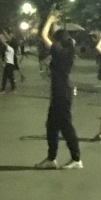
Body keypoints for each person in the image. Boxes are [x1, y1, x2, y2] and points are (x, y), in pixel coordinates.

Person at [35, 9, 82, 169]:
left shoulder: (60, 53)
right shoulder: (66, 51)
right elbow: (53, 37)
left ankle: (76, 159)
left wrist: (49, 19)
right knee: (51, 126)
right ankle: (51, 158)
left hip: (62, 93)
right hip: (60, 92)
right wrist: (55, 22)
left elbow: (43, 35)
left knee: (66, 126)